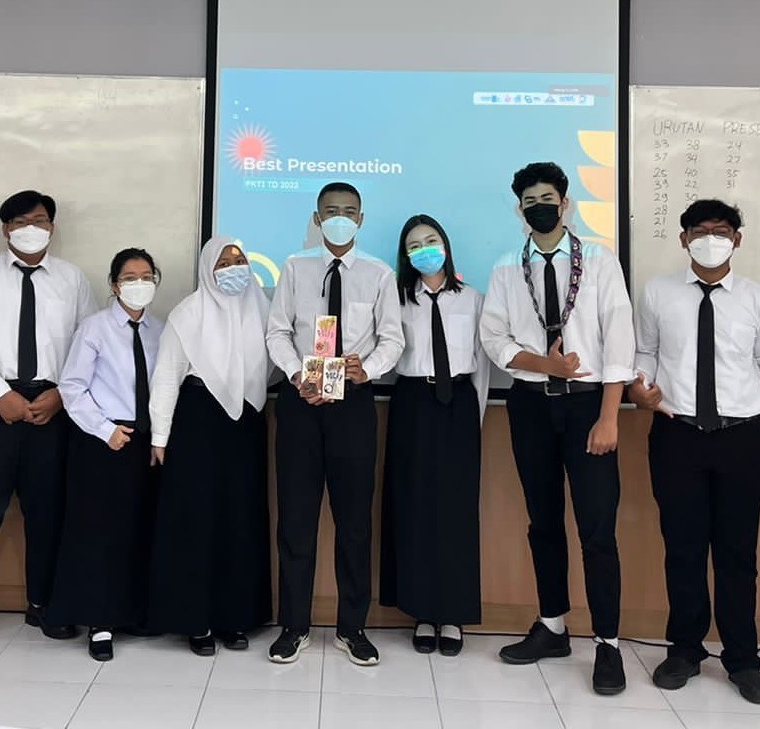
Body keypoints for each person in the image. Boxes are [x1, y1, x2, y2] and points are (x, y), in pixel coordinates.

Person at [479, 161, 633, 695]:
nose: (539, 208)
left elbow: (619, 338)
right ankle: (552, 626)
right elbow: (494, 338)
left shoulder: (599, 260)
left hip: (589, 407)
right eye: (530, 202)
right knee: (542, 521)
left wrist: (610, 416)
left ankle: (608, 644)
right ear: (519, 210)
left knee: (597, 529)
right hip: (530, 406)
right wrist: (542, 364)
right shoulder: (507, 267)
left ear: (565, 204)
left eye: (548, 199)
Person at [627, 200, 760, 704]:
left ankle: (743, 659)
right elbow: (645, 352)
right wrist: (640, 387)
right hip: (678, 433)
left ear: (738, 239)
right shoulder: (657, 292)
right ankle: (685, 650)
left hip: (741, 437)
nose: (710, 239)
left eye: (721, 231)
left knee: (738, 553)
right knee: (683, 548)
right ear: (683, 238)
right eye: (699, 231)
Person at [0, 190, 95, 651]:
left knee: (47, 512)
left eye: (41, 220)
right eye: (22, 221)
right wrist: (0, 393)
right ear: (6, 229)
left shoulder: (72, 279)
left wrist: (62, 394)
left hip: (52, 405)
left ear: (53, 227)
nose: (33, 228)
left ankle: (43, 604)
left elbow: (88, 343)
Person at [265, 182, 404, 666]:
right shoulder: (295, 267)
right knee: (296, 520)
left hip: (354, 406)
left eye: (348, 211)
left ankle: (352, 627)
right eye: (330, 211)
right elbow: (277, 331)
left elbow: (392, 338)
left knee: (354, 523)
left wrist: (370, 369)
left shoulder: (379, 273)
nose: (339, 218)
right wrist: (296, 373)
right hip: (301, 402)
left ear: (360, 219)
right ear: (317, 218)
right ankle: (294, 626)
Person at [147, 236, 273, 656]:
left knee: (240, 518)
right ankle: (196, 620)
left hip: (246, 422)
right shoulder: (188, 313)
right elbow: (167, 375)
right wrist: (160, 436)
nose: (234, 267)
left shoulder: (262, 309)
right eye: (223, 261)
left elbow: (275, 364)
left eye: (239, 259)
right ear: (207, 269)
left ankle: (234, 617)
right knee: (196, 520)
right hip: (198, 421)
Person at [46, 249, 164, 661]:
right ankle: (99, 622)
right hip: (102, 439)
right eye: (130, 277)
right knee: (100, 532)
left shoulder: (160, 330)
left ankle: (132, 613)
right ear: (114, 284)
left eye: (146, 276)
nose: (139, 283)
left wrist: (158, 435)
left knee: (138, 527)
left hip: (145, 440)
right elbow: (72, 386)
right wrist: (104, 429)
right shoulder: (94, 328)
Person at [381, 214, 488, 657]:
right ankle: (422, 612)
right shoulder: (397, 300)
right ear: (405, 256)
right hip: (412, 403)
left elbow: (481, 364)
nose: (424, 250)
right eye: (414, 245)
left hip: (458, 405)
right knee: (415, 507)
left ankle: (454, 614)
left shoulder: (473, 298)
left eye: (430, 240)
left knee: (456, 511)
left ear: (445, 244)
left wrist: (473, 418)